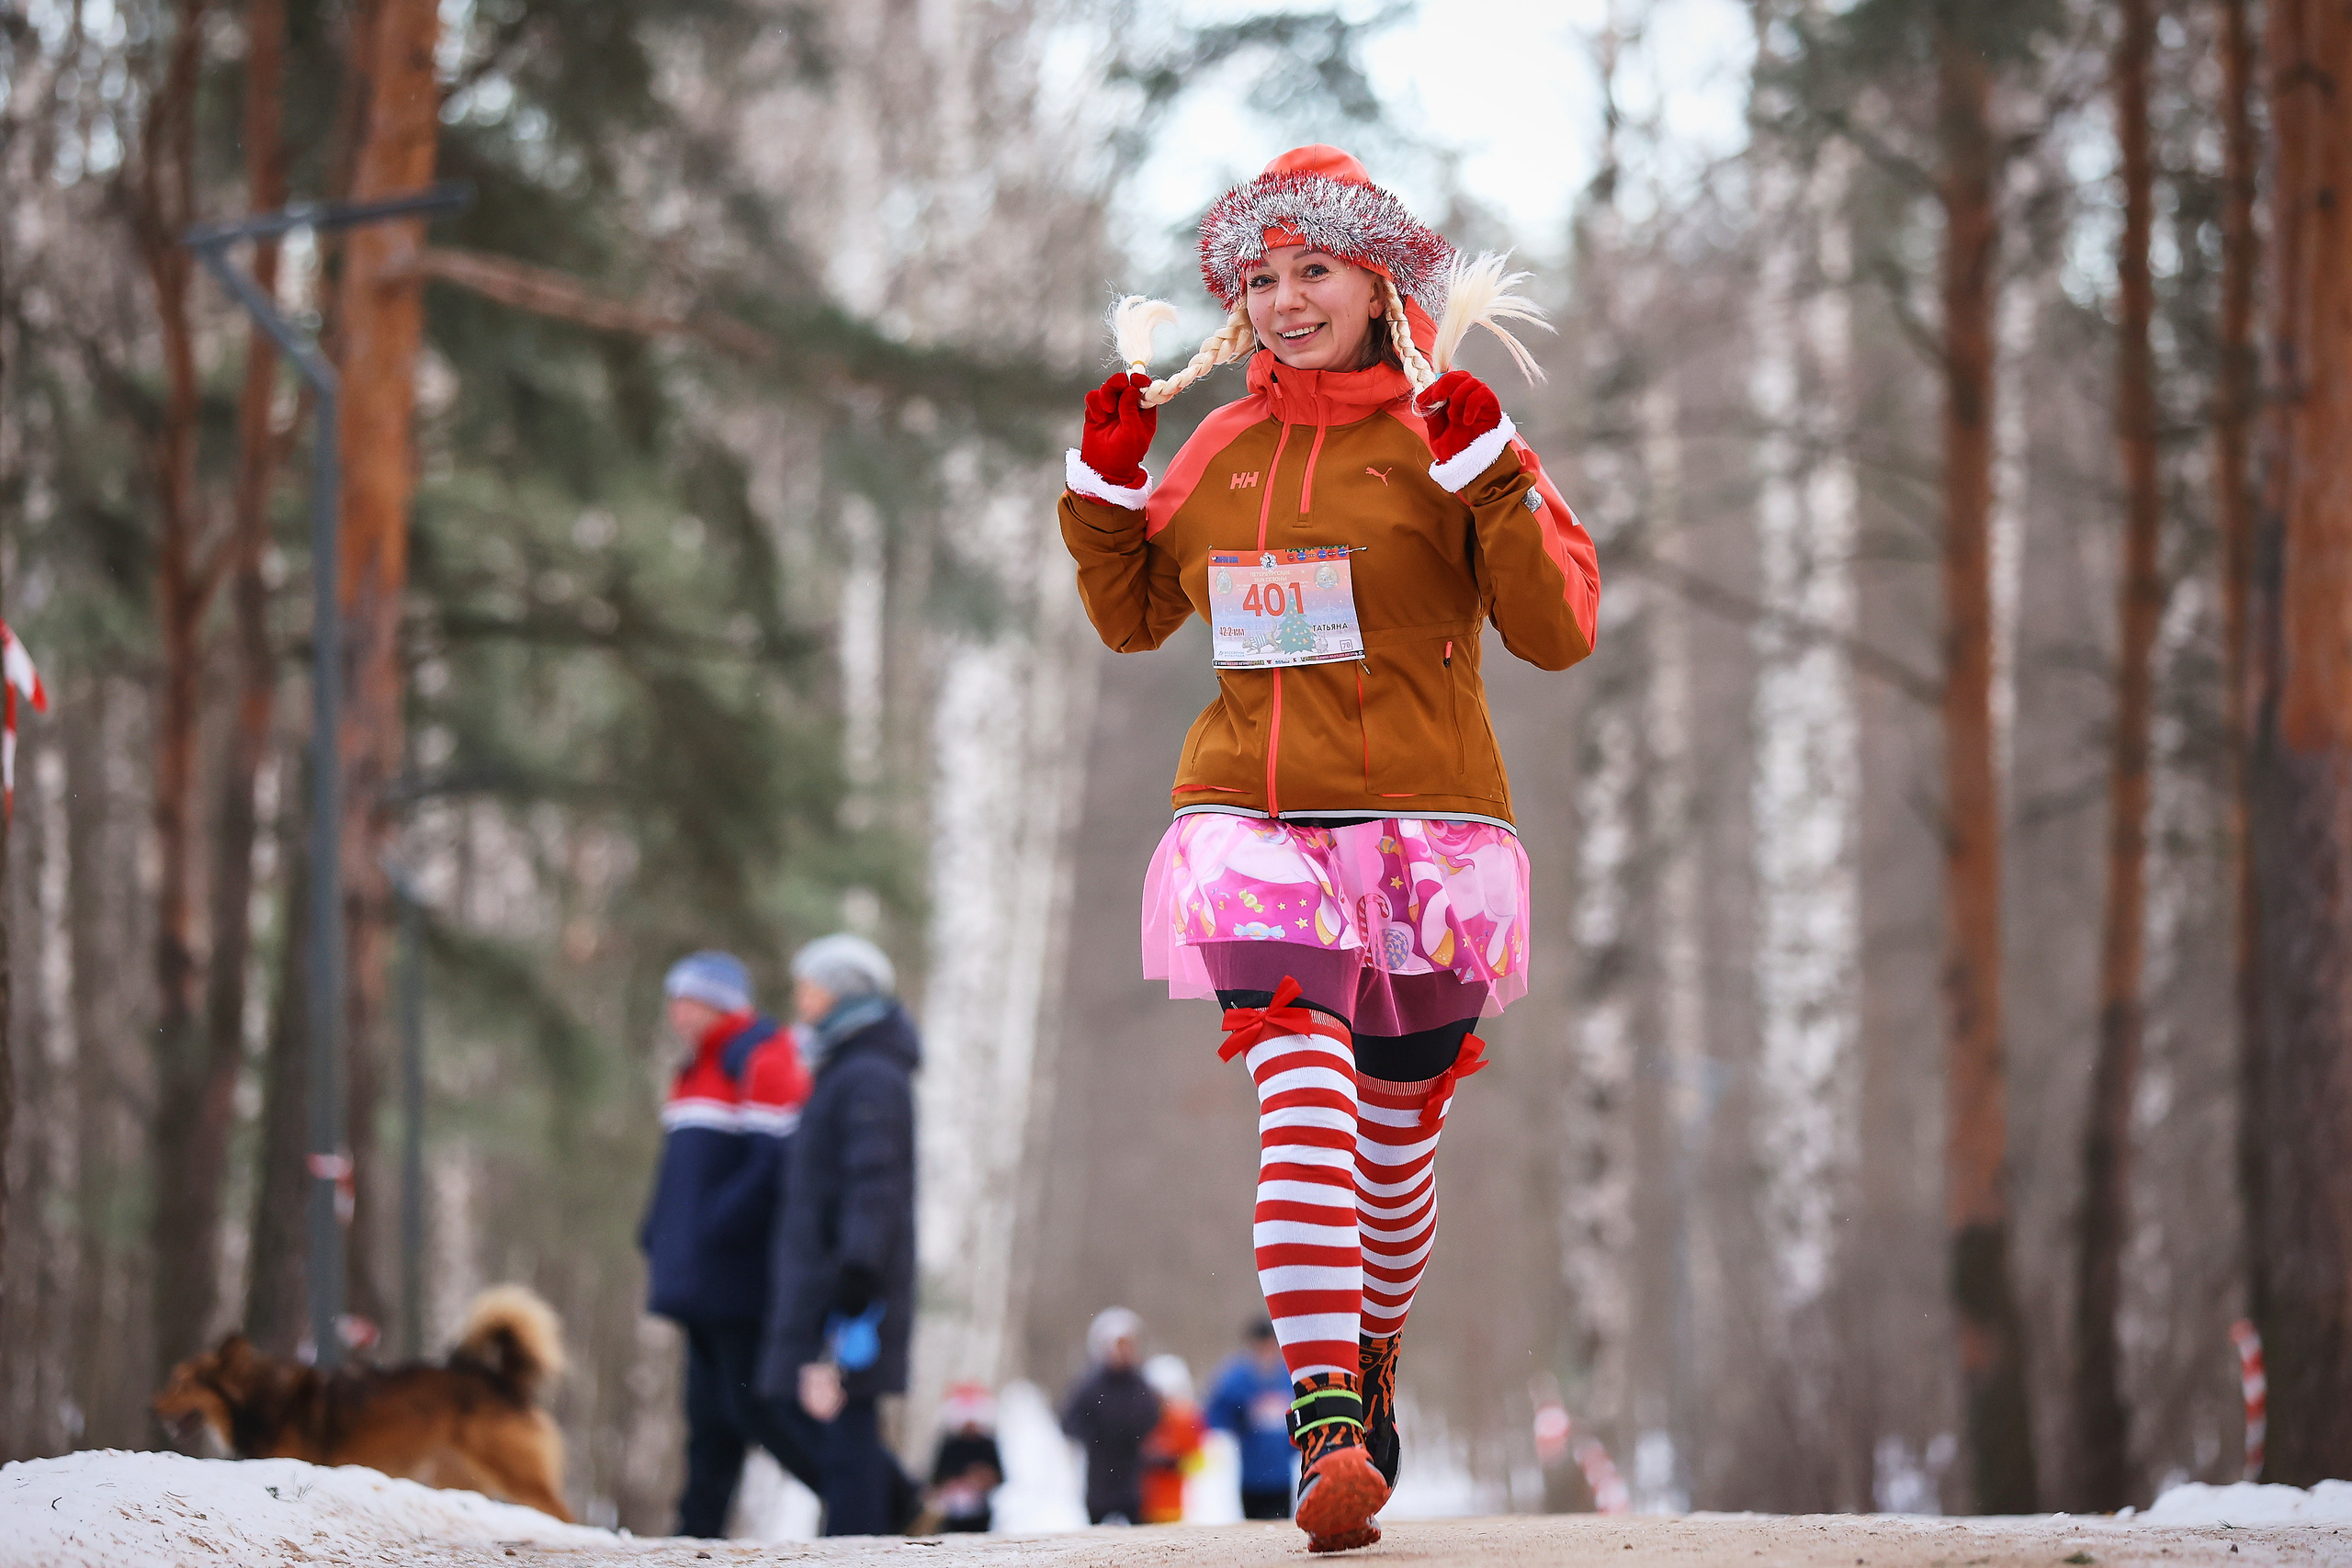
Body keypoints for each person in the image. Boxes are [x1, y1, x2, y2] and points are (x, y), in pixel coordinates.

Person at [1057, 144, 1600, 1553]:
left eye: (1316, 270)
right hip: (1252, 816)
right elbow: (1133, 614)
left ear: (1378, 284)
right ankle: (1324, 1421)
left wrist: (1491, 474)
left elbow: (1556, 630)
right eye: (1264, 276)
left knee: (1396, 1141)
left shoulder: (1446, 428)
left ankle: (1370, 1353)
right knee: (1301, 1082)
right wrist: (1107, 485)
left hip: (1429, 832)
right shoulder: (1221, 444)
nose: (1287, 299)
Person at [636, 950, 823, 1537]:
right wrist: (655, 1231)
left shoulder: (761, 1056)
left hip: (738, 1274)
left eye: (687, 1000)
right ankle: (695, 1535)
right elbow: (682, 1173)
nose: (676, 1012)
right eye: (673, 1000)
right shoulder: (694, 1069)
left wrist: (715, 1227)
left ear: (718, 1004)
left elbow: (773, 1165)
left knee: (760, 1408)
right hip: (697, 1273)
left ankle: (875, 1498)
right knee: (707, 1413)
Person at [756, 932, 921, 1536]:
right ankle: (893, 1509)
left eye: (811, 988)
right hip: (822, 1274)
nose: (801, 1000)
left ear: (844, 993)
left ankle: (860, 1542)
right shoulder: (842, 1070)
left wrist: (859, 1268)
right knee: (802, 1416)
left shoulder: (870, 1076)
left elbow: (876, 1182)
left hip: (850, 1283)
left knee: (846, 1431)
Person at [1057, 1307, 1162, 1526]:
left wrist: (1137, 1434)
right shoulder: (1090, 1385)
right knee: (1098, 1527)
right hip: (1101, 1471)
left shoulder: (1140, 1384)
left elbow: (1154, 1416)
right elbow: (1069, 1419)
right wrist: (1095, 1438)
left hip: (1133, 1472)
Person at [1208, 1317, 1298, 1519]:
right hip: (1251, 1475)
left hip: (1282, 1475)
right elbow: (1216, 1413)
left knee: (1279, 1524)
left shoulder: (1289, 1377)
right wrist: (1242, 1416)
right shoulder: (1238, 1377)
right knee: (1253, 1524)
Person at [922, 1382, 1003, 1534]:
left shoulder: (988, 1445)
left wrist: (983, 1480)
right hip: (951, 1513)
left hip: (981, 1512)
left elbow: (1000, 1478)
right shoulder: (950, 1445)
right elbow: (937, 1477)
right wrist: (953, 1484)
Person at [1137, 1354, 1207, 1525]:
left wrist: (1174, 1462)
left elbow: (1200, 1461)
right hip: (1140, 1504)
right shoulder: (1142, 1418)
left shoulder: (1186, 1421)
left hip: (1173, 1507)